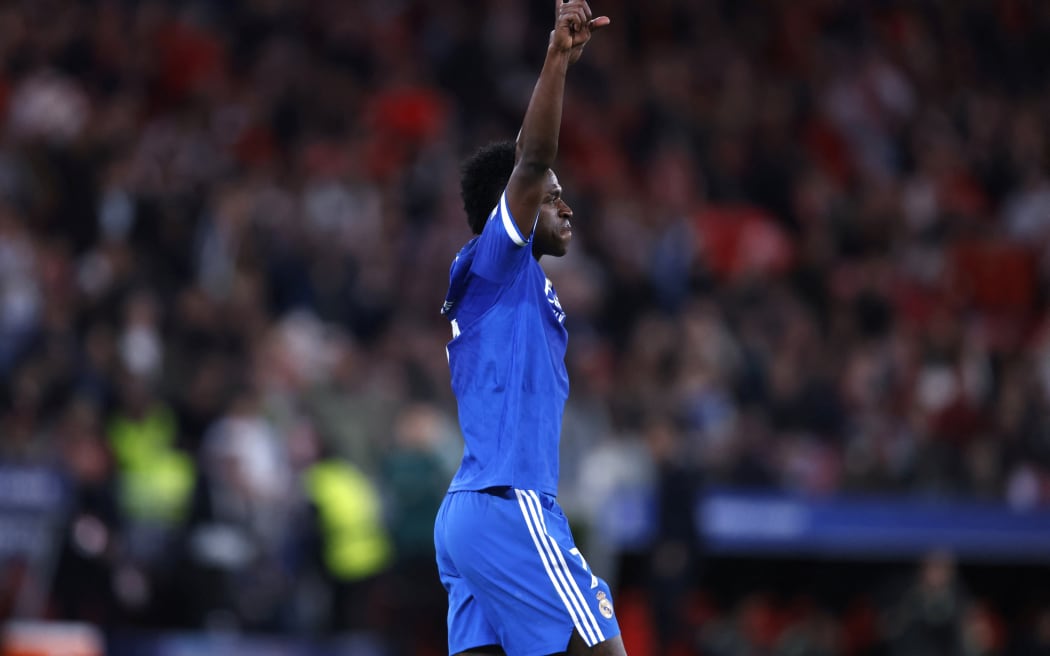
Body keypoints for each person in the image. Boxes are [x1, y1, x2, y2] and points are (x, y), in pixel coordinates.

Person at [433, 2, 626, 655]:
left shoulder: (516, 285)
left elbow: (529, 163)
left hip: (471, 511)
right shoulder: (496, 263)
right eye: (550, 194)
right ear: (511, 206)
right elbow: (531, 157)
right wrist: (555, 62)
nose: (565, 203)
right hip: (511, 506)